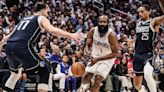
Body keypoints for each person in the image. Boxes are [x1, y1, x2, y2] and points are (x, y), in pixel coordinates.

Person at [0, 2, 82, 92]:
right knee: (44, 70)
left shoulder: (24, 19)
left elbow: (9, 36)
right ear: (43, 10)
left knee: (15, 74)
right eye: (47, 11)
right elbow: (52, 30)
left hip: (9, 47)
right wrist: (71, 35)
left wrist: (1, 44)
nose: (48, 13)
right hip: (22, 46)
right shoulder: (41, 18)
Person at [78, 15, 120, 92]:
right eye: (101, 22)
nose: (102, 24)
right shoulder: (93, 31)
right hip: (95, 55)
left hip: (107, 58)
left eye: (104, 22)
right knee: (87, 75)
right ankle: (82, 89)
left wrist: (97, 59)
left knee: (98, 80)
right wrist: (88, 52)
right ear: (97, 22)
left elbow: (116, 54)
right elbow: (88, 45)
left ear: (108, 23)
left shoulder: (111, 35)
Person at [133, 4, 164, 92]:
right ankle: (143, 90)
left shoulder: (154, 22)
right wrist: (132, 41)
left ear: (149, 12)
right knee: (137, 85)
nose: (140, 13)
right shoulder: (138, 23)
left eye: (142, 11)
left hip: (149, 53)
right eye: (139, 12)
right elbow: (139, 37)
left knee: (147, 74)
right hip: (138, 54)